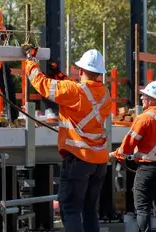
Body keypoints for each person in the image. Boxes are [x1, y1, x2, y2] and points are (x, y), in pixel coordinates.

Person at [23, 44, 111, 232]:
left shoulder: (73, 91)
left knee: (70, 209)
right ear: (100, 73)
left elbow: (43, 85)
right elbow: (83, 94)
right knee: (89, 211)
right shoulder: (105, 94)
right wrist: (61, 77)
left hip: (78, 159)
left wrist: (30, 61)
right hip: (100, 162)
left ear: (80, 70)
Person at [110, 81, 156, 232]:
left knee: (142, 208)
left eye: (145, 96)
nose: (142, 99)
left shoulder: (144, 118)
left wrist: (117, 155)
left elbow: (127, 146)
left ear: (153, 99)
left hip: (148, 170)